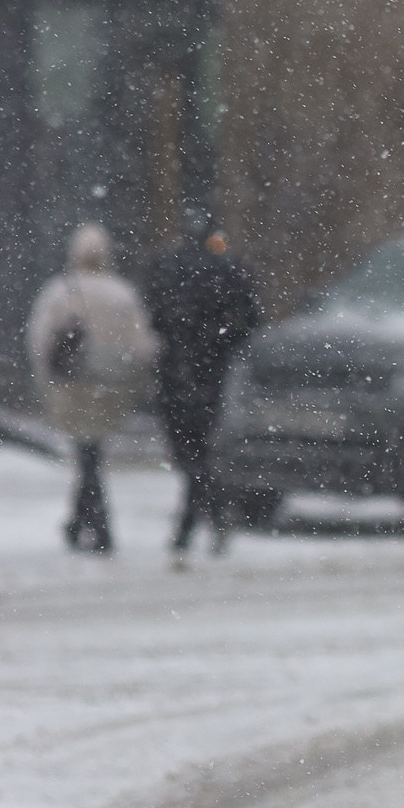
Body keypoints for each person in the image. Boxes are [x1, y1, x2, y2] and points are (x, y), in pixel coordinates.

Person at [26, 223, 159, 557]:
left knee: (86, 453)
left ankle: (90, 523)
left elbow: (40, 342)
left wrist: (47, 379)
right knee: (91, 452)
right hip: (110, 387)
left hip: (71, 386)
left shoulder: (59, 291)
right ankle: (89, 523)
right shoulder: (122, 294)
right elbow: (144, 347)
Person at [142, 212, 262, 556]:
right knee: (204, 448)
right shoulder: (228, 269)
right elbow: (250, 319)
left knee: (187, 450)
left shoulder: (165, 267)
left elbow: (152, 317)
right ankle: (208, 515)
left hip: (174, 371)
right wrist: (220, 341)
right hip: (211, 371)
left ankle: (196, 518)